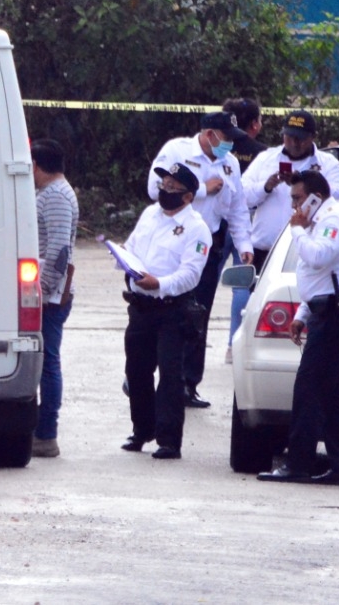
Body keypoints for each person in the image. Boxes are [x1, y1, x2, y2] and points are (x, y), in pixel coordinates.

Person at [258, 170, 339, 487]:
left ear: (316, 197)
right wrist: (303, 313)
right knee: (331, 392)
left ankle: (299, 463)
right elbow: (321, 278)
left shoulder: (333, 221)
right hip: (328, 309)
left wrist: (296, 232)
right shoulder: (318, 224)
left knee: (309, 390)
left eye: (297, 198)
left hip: (337, 313)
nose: (294, 207)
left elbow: (318, 258)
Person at [148, 111, 253, 408]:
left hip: (209, 247)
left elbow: (238, 209)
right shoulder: (177, 151)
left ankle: (188, 384)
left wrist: (244, 244)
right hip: (173, 244)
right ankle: (146, 375)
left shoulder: (230, 164)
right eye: (226, 139)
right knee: (162, 311)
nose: (229, 145)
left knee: (197, 316)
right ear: (209, 135)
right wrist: (202, 191)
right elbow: (153, 190)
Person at [120, 163, 212, 461]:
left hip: (172, 310)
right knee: (136, 370)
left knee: (171, 376)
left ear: (187, 197)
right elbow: (132, 246)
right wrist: (124, 260)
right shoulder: (150, 215)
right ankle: (141, 430)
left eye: (172, 188)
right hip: (140, 307)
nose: (165, 191)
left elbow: (190, 275)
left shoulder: (197, 228)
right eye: (163, 185)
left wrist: (158, 283)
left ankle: (169, 440)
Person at [242, 109, 339, 274]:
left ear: (312, 137)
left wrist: (307, 184)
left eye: (300, 138)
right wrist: (266, 186)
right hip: (264, 250)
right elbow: (241, 197)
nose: (294, 143)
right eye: (289, 137)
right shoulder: (266, 159)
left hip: (304, 249)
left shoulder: (328, 163)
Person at [31, 139, 79, 459]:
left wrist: (43, 290)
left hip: (50, 296)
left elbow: (60, 251)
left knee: (48, 363)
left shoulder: (57, 196)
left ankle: (47, 433)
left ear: (38, 165)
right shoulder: (48, 194)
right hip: (44, 292)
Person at [220, 98, 268, 363]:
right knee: (242, 285)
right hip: (245, 224)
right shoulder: (262, 153)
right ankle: (233, 348)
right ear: (253, 124)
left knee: (202, 283)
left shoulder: (218, 149)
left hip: (217, 222)